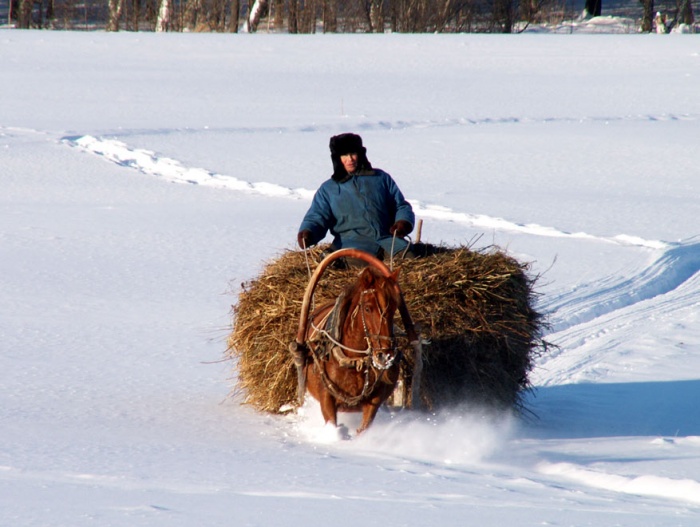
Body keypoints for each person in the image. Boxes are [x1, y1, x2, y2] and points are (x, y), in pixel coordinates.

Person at [297, 133, 415, 262]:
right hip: (353, 245)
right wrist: (308, 232)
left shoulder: (380, 178)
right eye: (344, 155)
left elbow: (400, 205)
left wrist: (403, 222)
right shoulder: (328, 189)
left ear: (360, 154)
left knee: (409, 258)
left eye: (353, 153)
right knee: (366, 272)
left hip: (388, 240)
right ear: (337, 158)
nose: (350, 159)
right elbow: (316, 216)